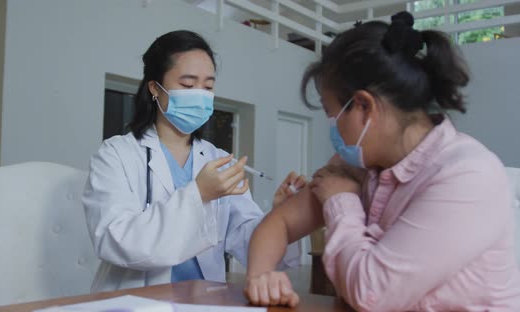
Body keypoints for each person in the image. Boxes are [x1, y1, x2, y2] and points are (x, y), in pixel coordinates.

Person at [243, 12, 520, 311]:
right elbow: (278, 224)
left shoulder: (466, 176)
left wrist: (341, 201)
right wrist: (261, 277)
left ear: (364, 106)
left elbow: (372, 294)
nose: (333, 129)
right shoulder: (360, 162)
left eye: (332, 115)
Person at [82, 30, 302, 292]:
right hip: (137, 301)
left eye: (208, 87)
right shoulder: (116, 154)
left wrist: (282, 216)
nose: (199, 94)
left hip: (204, 300)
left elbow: (248, 243)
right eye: (187, 85)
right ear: (155, 88)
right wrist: (199, 194)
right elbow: (115, 240)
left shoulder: (217, 160)